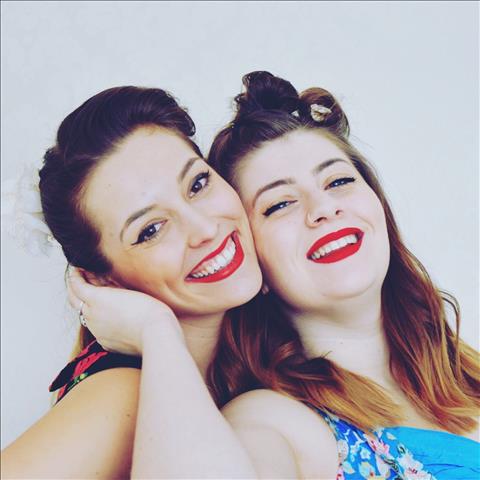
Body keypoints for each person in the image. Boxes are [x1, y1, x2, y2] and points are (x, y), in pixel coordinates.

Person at [61, 72, 479, 479]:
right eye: (279, 204)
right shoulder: (271, 424)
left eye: (338, 180)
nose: (323, 208)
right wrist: (157, 333)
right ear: (252, 258)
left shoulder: (470, 374)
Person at [1, 85, 262, 479]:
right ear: (101, 279)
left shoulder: (254, 351)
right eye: (151, 230)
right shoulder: (121, 394)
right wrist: (157, 330)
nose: (205, 228)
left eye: (197, 185)